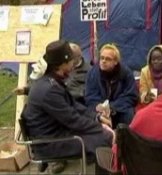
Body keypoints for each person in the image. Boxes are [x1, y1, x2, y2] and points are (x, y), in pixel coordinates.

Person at [22, 40, 114, 173]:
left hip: (55, 133)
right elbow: (73, 120)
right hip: (49, 143)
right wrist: (101, 128)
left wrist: (96, 117)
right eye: (71, 61)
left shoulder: (51, 81)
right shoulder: (49, 90)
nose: (74, 64)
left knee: (102, 135)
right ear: (62, 64)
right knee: (104, 139)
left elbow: (73, 105)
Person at [14, 42, 91, 105]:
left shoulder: (89, 72)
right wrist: (26, 90)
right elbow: (46, 86)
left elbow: (85, 94)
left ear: (78, 57)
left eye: (70, 57)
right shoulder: (58, 70)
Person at [85, 43, 139, 129]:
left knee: (128, 113)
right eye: (102, 58)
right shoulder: (93, 73)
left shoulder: (126, 73)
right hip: (99, 108)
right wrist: (100, 106)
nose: (103, 61)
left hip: (119, 109)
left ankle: (126, 138)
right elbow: (90, 96)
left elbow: (131, 96)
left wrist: (112, 107)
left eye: (108, 59)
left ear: (115, 62)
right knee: (88, 113)